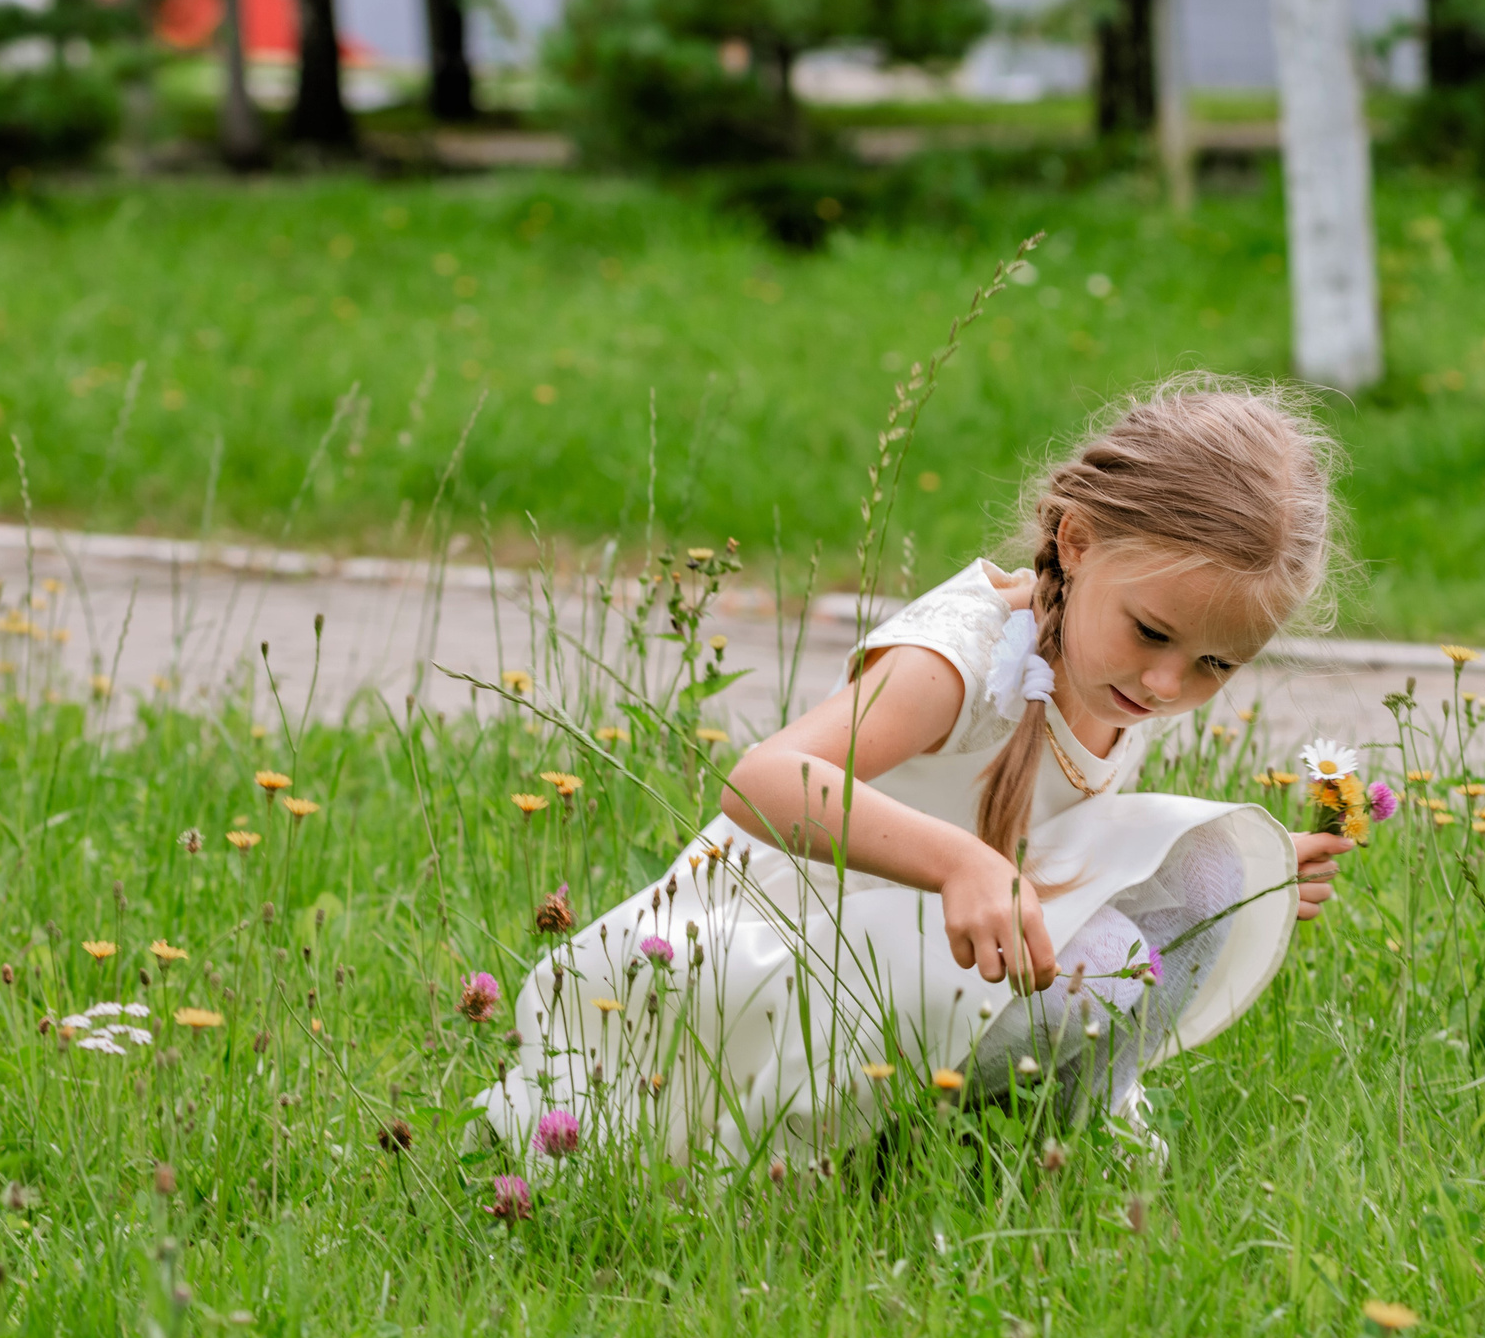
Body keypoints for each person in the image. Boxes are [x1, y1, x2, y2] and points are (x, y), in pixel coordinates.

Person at [480, 378, 1353, 1165]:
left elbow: (1055, 836)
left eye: (1216, 665)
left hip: (918, 952)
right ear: (1079, 543)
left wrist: (1245, 877)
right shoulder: (961, 660)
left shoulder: (1115, 676)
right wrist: (959, 862)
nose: (1168, 684)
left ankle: (1043, 1142)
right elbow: (761, 780)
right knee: (1112, 956)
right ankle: (853, 1141)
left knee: (1213, 870)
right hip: (779, 954)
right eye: (1153, 634)